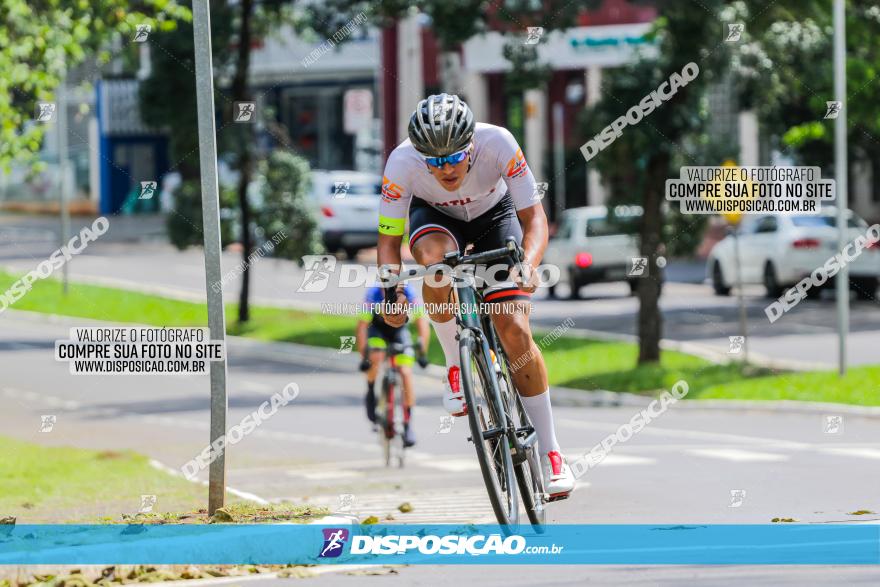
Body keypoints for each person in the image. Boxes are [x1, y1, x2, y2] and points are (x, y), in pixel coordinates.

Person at [375, 93, 575, 500]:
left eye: (454, 158)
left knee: (513, 327)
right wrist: (392, 291)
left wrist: (529, 265)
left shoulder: (499, 142)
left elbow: (534, 217)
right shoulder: (400, 163)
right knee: (434, 262)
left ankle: (552, 452)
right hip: (436, 221)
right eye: (434, 161)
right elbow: (388, 240)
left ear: (471, 145)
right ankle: (455, 364)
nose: (445, 169)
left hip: (496, 217)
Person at [356, 282, 430, 447]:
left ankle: (407, 424)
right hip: (377, 330)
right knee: (376, 355)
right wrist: (364, 357)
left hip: (399, 331)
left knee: (405, 372)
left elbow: (422, 322)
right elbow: (361, 327)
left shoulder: (410, 292)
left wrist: (422, 352)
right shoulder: (373, 294)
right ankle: (370, 390)